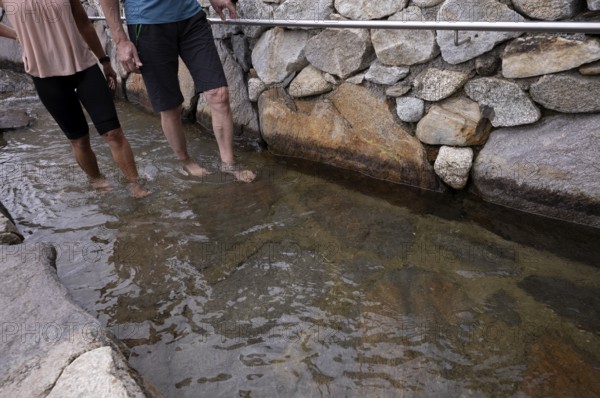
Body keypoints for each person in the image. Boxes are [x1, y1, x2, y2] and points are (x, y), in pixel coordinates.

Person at [0, 0, 150, 198]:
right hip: (44, 74)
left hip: (84, 66)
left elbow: (84, 24)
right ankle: (97, 180)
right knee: (79, 140)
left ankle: (135, 184)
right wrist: (18, 36)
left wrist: (104, 61)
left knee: (113, 132)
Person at [98, 0, 256, 182]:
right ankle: (186, 162)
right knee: (170, 106)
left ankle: (229, 165)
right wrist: (120, 40)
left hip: (190, 18)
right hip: (148, 25)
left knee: (219, 94)